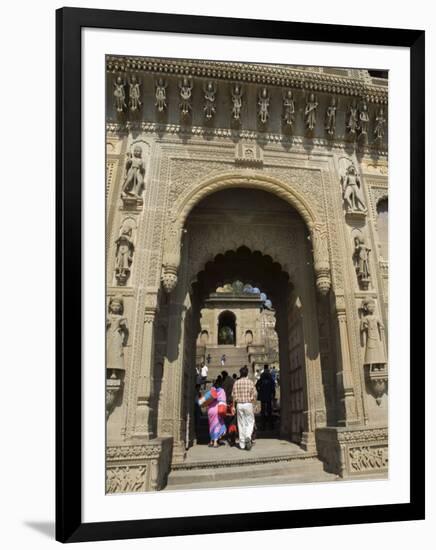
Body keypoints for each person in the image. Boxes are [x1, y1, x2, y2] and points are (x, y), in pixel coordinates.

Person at [232, 366, 257, 450]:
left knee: (240, 423)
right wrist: (254, 404)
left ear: (240, 373)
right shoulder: (250, 382)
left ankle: (242, 444)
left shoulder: (236, 383)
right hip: (248, 403)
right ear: (247, 373)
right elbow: (254, 395)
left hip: (239, 404)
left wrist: (233, 406)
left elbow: (234, 396)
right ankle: (248, 436)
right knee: (250, 421)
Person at [206, 377, 227, 448]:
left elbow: (207, 400)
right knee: (217, 425)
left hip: (210, 410)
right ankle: (215, 442)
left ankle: (211, 441)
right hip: (216, 409)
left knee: (211, 426)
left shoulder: (211, 390)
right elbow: (223, 400)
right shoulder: (221, 390)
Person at [256, 365, 276, 430]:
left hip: (263, 396)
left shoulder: (262, 376)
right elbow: (273, 386)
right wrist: (273, 394)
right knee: (269, 410)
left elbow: (257, 385)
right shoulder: (270, 377)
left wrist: (259, 391)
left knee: (263, 411)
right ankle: (271, 425)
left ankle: (263, 425)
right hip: (269, 395)